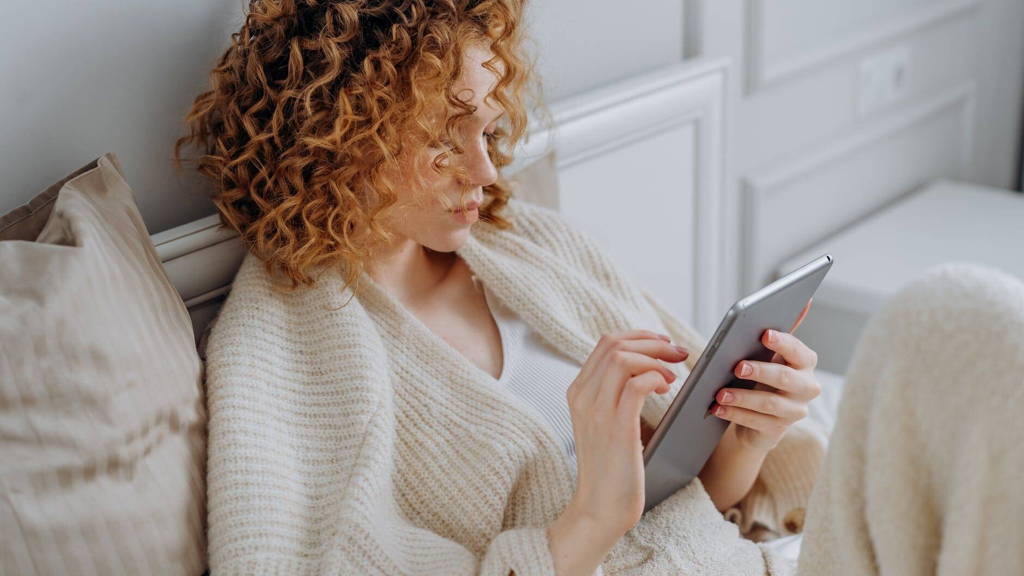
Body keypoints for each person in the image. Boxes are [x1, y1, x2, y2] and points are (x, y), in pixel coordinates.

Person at [175, 1, 1024, 575]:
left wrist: (747, 442)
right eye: (442, 139)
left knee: (974, 336)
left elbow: (690, 508)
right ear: (338, 141)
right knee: (952, 319)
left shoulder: (530, 246)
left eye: (489, 128)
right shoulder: (285, 346)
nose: (485, 169)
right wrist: (585, 524)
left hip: (735, 558)